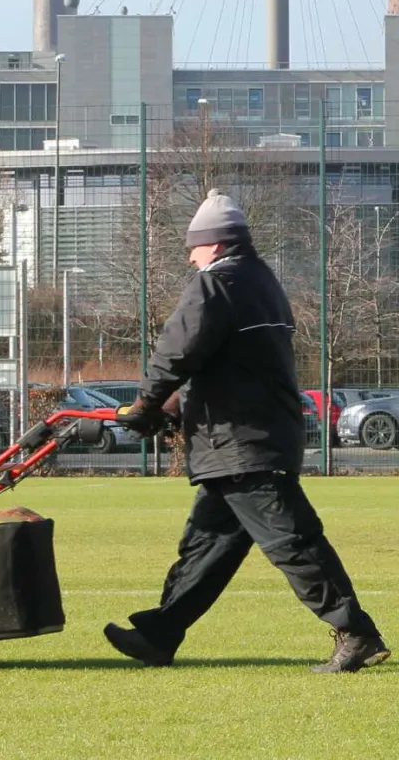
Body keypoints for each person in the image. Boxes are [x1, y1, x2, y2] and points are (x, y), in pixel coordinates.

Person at [106, 188, 390, 674]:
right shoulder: (261, 281)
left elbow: (179, 350)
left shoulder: (214, 283)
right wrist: (174, 407)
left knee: (293, 541)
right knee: (208, 544)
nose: (190, 256)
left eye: (193, 246)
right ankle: (160, 633)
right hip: (251, 437)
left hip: (241, 442)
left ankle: (356, 632)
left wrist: (146, 403)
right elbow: (231, 363)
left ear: (214, 244)